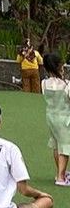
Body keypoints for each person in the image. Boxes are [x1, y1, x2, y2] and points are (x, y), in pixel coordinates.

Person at [42, 52, 70, 187]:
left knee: (56, 144)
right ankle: (61, 177)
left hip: (51, 117)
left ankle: (60, 172)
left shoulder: (44, 83)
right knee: (65, 146)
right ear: (59, 66)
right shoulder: (66, 85)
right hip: (64, 118)